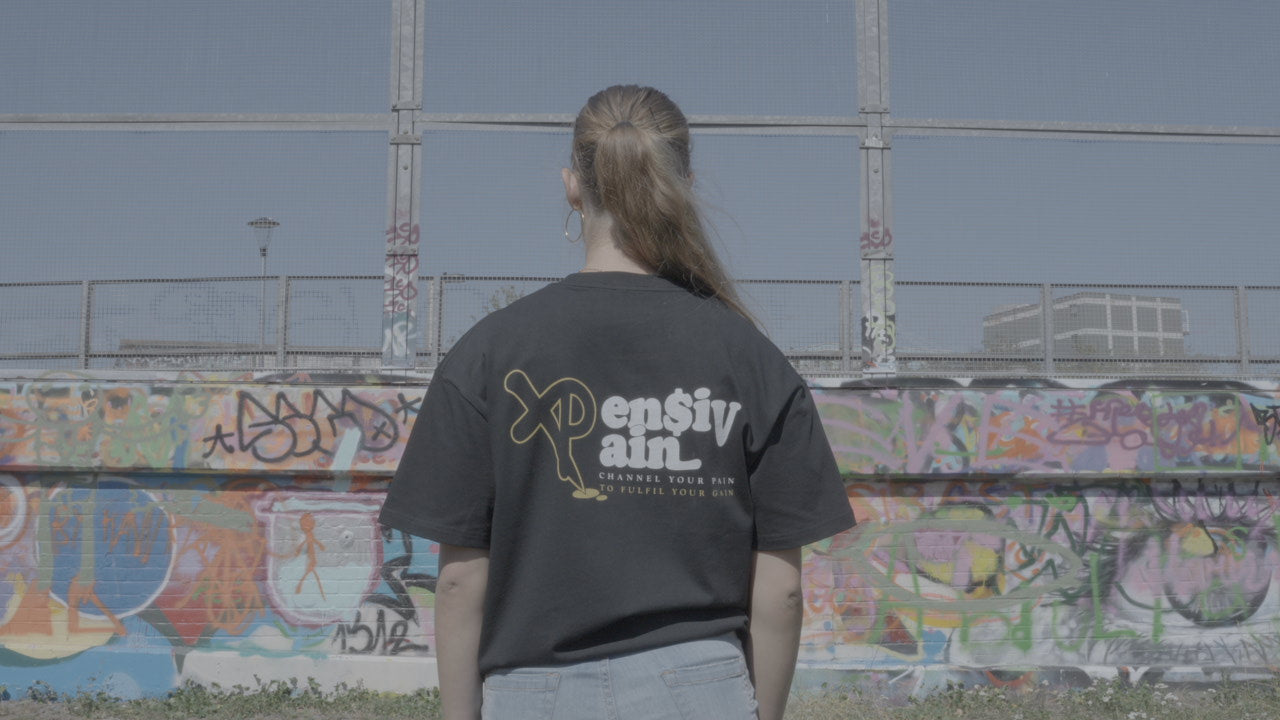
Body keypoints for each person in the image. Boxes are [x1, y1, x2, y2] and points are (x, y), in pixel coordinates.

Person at [380, 85, 854, 720]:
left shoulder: (489, 351)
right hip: (701, 690)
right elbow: (783, 588)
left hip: (531, 691)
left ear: (573, 184)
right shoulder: (749, 355)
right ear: (683, 179)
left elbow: (462, 578)